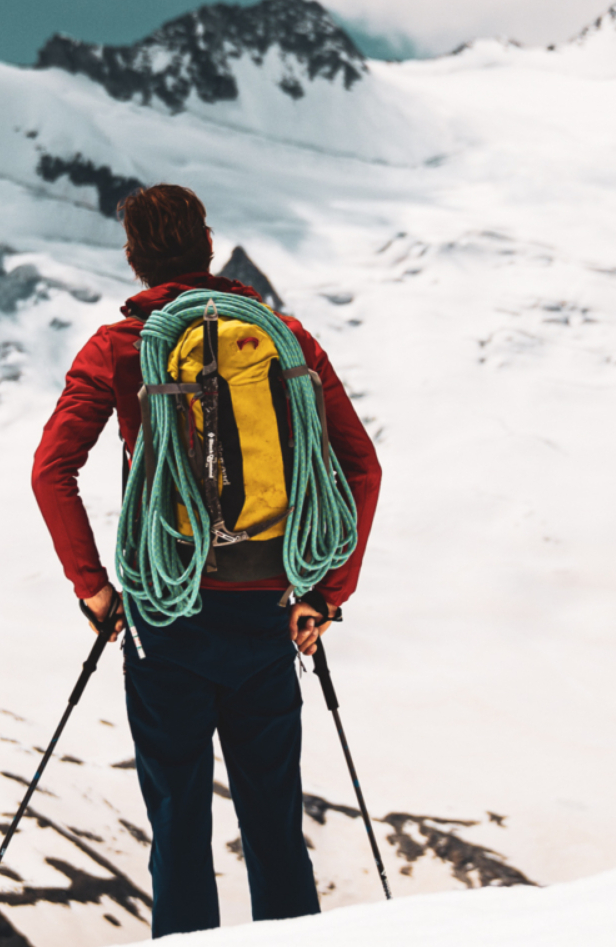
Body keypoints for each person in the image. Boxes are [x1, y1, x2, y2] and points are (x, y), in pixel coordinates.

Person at [30, 184, 382, 937]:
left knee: (180, 834)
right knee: (276, 834)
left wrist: (94, 589)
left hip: (165, 622)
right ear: (209, 243)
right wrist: (322, 594)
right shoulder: (283, 340)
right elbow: (361, 467)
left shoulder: (121, 347)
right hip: (265, 614)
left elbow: (50, 471)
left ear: (135, 259)